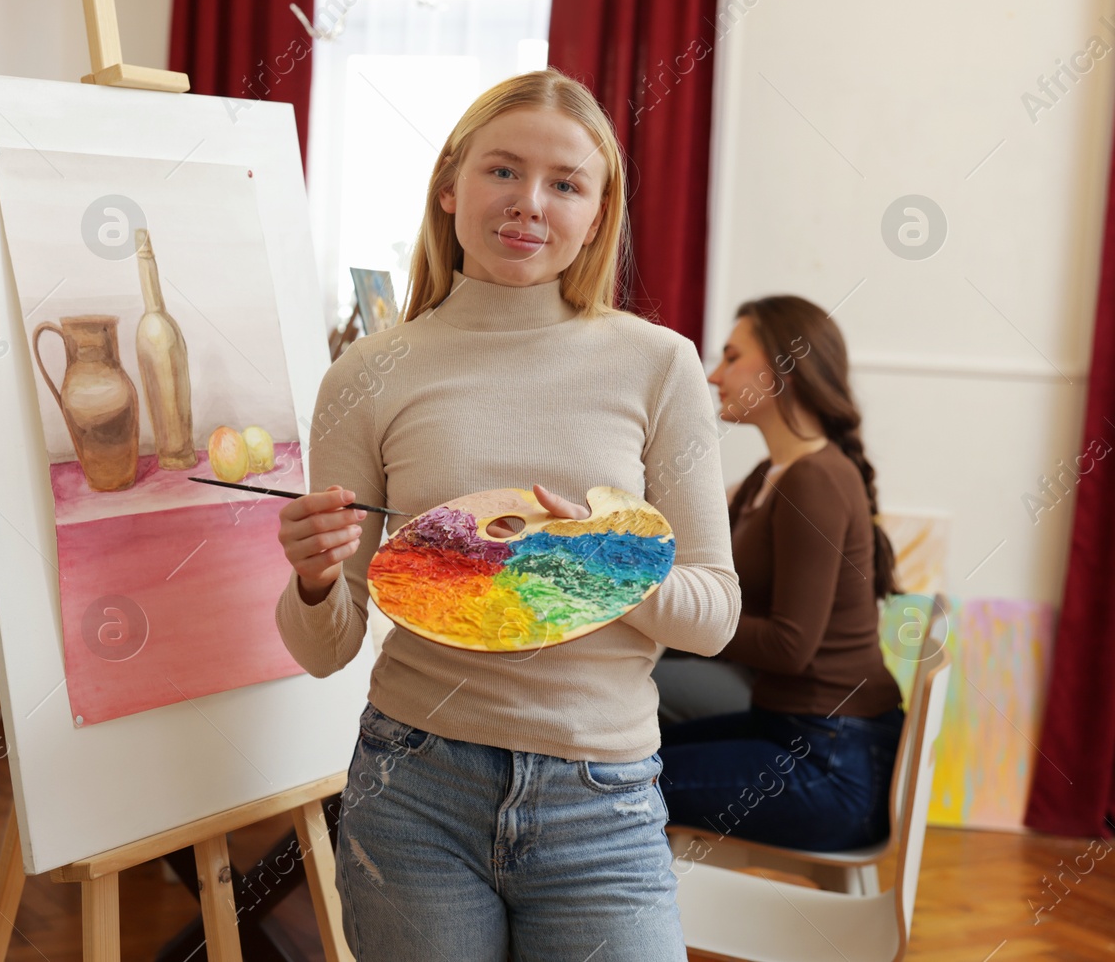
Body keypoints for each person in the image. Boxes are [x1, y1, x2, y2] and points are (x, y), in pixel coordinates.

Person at [274, 69, 740, 961]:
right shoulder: (365, 374)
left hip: (600, 800)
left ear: (597, 215)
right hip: (411, 789)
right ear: (450, 184)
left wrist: (596, 564)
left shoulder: (660, 365)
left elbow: (715, 614)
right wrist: (312, 576)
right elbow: (327, 646)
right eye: (503, 171)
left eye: (566, 184)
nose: (530, 203)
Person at [656, 296, 905, 852]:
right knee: (628, 755)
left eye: (731, 357)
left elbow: (791, 646)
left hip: (835, 764)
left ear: (781, 368)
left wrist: (662, 613)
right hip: (792, 731)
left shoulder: (813, 480)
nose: (715, 376)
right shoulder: (773, 473)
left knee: (613, 783)